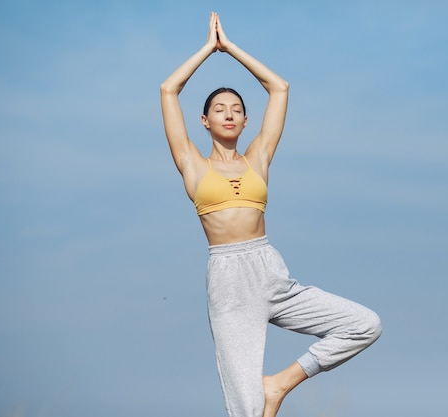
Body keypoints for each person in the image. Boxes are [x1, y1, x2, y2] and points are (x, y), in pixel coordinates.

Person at [160, 12, 382, 417]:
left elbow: (278, 88)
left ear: (246, 120)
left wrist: (232, 48)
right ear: (204, 121)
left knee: (364, 324)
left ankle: (279, 384)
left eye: (237, 109)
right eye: (219, 109)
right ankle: (263, 395)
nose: (229, 113)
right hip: (228, 282)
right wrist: (209, 50)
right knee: (245, 409)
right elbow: (168, 89)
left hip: (270, 271)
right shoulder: (192, 165)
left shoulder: (258, 159)